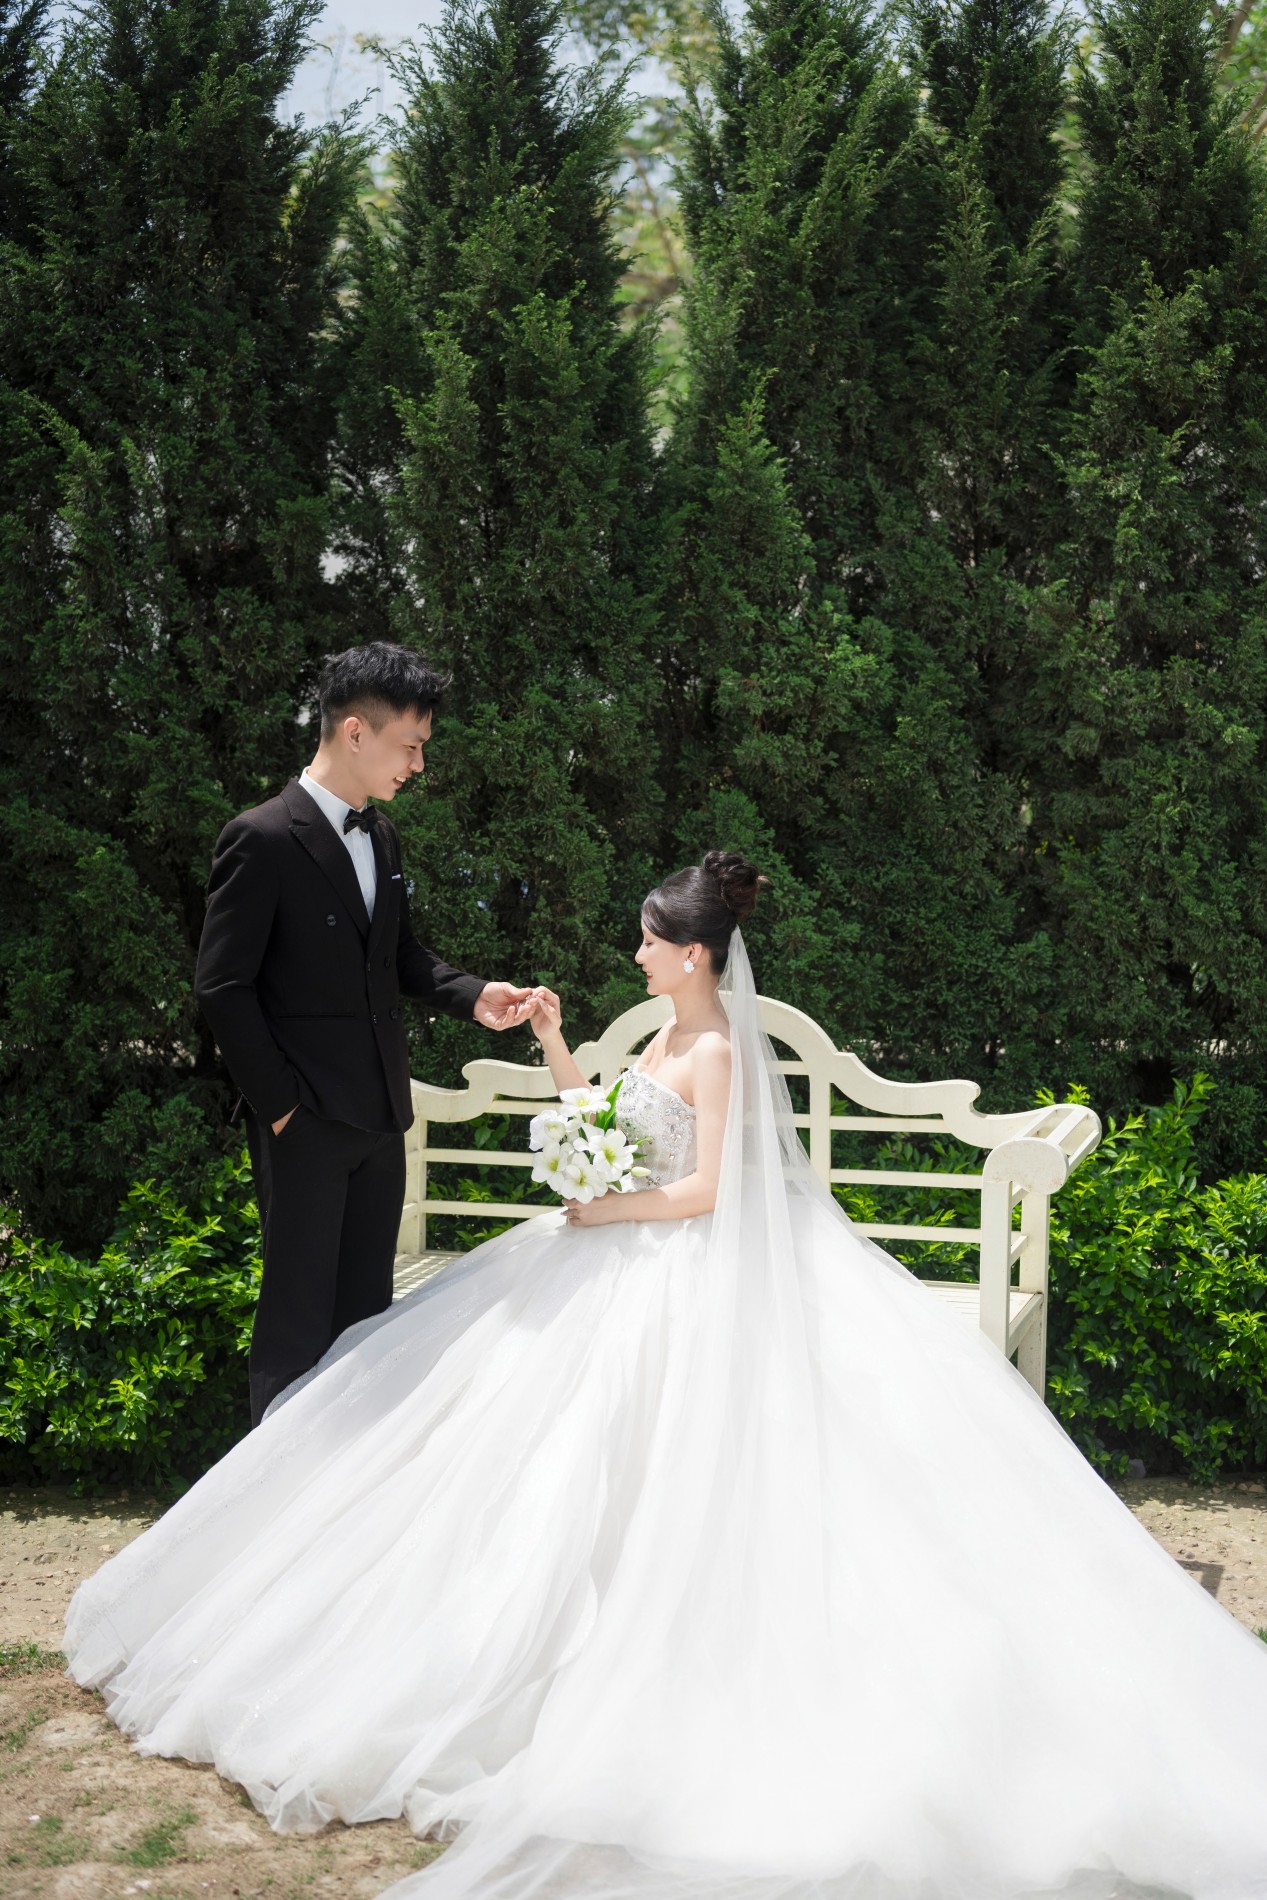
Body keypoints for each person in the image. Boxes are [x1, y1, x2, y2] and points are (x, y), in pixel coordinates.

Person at [69, 853, 1267, 1900]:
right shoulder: (658, 1034)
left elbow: (702, 1191)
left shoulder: (721, 1049)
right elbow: (607, 1121)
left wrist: (605, 1212)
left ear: (691, 955)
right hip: (608, 1246)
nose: (635, 952)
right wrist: (553, 1049)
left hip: (667, 1260)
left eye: (648, 939)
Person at [193, 641, 538, 1424]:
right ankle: (277, 1491)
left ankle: (350, 1488)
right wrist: (283, 1110)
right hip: (305, 1125)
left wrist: (474, 995)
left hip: (381, 1119)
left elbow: (399, 956)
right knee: (295, 1326)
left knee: (366, 1327)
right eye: (410, 745)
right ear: (355, 731)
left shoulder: (379, 835)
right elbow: (221, 986)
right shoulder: (260, 837)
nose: (418, 764)